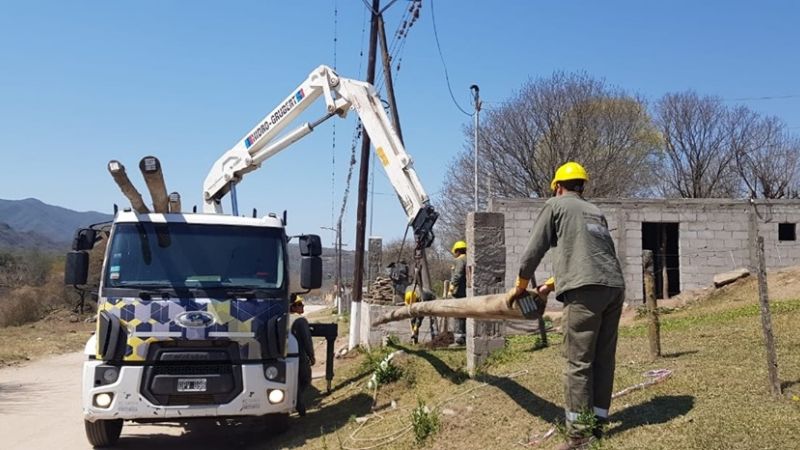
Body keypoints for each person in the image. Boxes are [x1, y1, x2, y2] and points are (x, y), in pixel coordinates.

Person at [505, 162, 625, 450]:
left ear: (558, 186)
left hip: (584, 294)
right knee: (602, 359)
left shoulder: (555, 206)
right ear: (581, 186)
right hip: (613, 288)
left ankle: (580, 436)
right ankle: (596, 423)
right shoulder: (595, 212)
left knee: (578, 362)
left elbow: (533, 250)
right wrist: (548, 286)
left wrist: (520, 287)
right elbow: (589, 259)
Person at [289, 294, 316, 416]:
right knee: (305, 380)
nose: (302, 306)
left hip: (284, 358)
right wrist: (311, 355)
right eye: (299, 304)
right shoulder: (300, 321)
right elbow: (307, 339)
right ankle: (298, 403)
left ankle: (296, 402)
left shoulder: (283, 318)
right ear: (293, 306)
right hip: (299, 357)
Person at [449, 240, 468, 346]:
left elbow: (458, 274)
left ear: (457, 251)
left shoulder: (459, 260)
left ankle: (459, 339)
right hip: (466, 291)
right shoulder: (468, 259)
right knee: (464, 315)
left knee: (458, 314)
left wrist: (452, 286)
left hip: (459, 291)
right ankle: (464, 336)